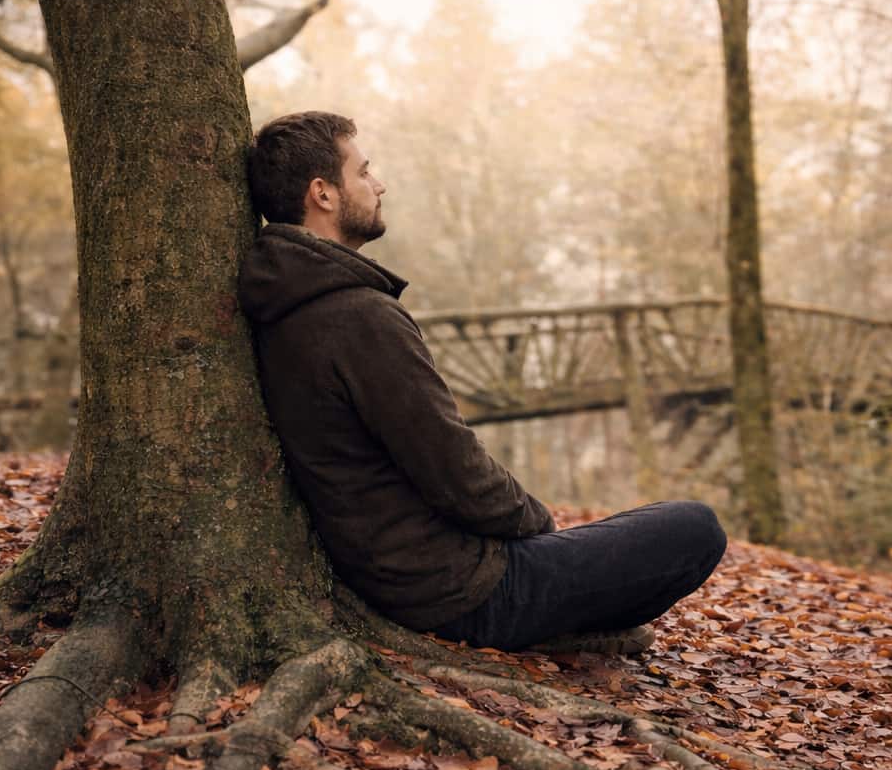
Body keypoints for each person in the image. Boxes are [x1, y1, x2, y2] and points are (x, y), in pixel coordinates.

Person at [238, 111, 726, 655]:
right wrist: (538, 523)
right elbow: (453, 466)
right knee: (693, 528)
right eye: (364, 171)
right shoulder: (355, 317)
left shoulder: (286, 305)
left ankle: (570, 622)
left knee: (627, 538)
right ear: (323, 194)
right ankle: (553, 627)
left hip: (404, 574)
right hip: (460, 590)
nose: (379, 184)